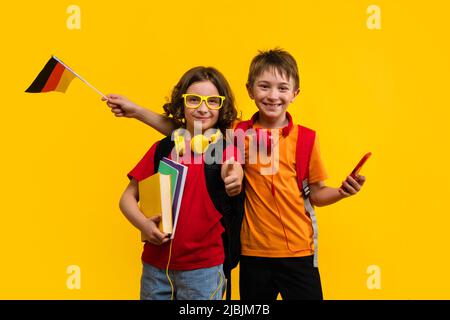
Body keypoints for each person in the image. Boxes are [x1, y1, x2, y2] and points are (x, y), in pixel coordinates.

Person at [105, 49, 366, 300]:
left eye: (282, 88)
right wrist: (137, 112)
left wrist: (341, 192)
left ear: (295, 93)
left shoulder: (305, 139)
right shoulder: (236, 132)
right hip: (252, 253)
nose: (273, 95)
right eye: (264, 86)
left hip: (298, 250)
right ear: (250, 90)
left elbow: (317, 193)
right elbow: (187, 130)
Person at [116, 66, 244, 300]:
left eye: (212, 101)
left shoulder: (225, 149)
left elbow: (232, 166)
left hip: (204, 272)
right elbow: (126, 198)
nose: (203, 108)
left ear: (222, 107)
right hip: (155, 270)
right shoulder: (162, 149)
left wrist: (234, 177)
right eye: (193, 100)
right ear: (181, 104)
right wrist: (144, 225)